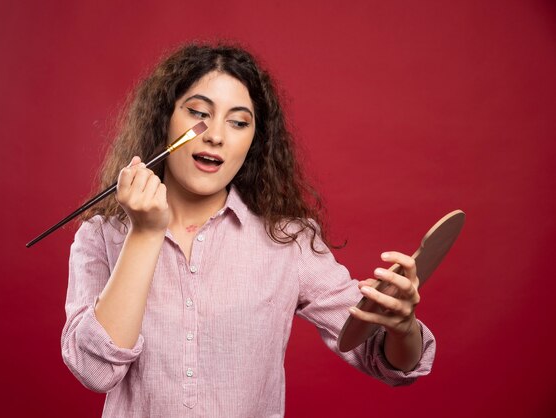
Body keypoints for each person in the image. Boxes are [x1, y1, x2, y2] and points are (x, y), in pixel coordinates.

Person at [61, 43, 435, 417]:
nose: (215, 135)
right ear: (164, 120)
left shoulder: (288, 240)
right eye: (198, 113)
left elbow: (380, 354)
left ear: (254, 140)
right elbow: (96, 372)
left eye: (238, 122)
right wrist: (143, 234)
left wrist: (402, 327)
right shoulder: (101, 235)